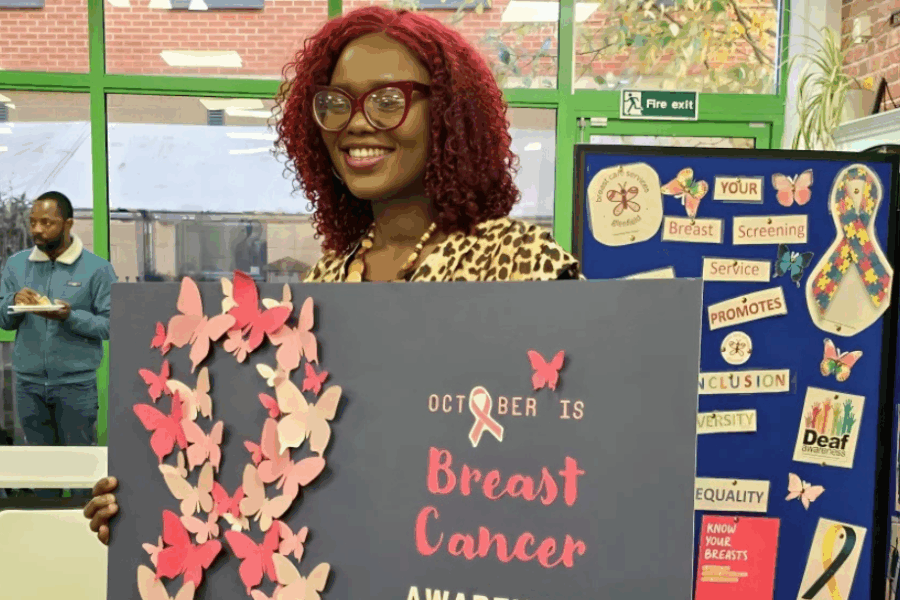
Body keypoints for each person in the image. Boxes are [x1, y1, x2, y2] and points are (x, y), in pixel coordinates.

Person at [84, 5, 581, 543]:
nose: (357, 123)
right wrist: (145, 506)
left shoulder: (524, 264)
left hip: (466, 558)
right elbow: (272, 463)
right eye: (336, 104)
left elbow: (572, 462)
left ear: (449, 116)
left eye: (390, 100)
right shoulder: (323, 285)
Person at [0, 191, 116, 501]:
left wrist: (69, 316)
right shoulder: (16, 265)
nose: (37, 230)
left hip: (76, 385)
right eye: (33, 222)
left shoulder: (97, 269)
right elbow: (4, 320)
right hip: (28, 384)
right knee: (41, 470)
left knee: (81, 471)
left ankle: (84, 537)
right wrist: (11, 303)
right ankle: (46, 540)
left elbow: (109, 325)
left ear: (67, 224)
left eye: (47, 223)